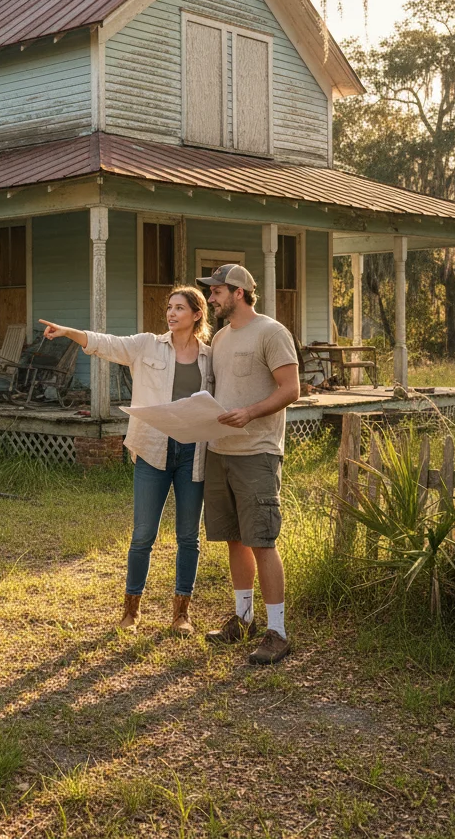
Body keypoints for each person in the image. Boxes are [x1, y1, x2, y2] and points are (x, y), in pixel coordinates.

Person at [39, 286, 213, 635]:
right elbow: (107, 344)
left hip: (193, 453)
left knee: (188, 537)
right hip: (152, 449)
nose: (171, 313)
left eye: (180, 308)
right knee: (142, 535)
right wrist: (70, 332)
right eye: (169, 307)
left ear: (197, 315)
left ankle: (182, 614)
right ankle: (131, 611)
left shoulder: (211, 357)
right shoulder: (147, 344)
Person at [197, 264, 300, 665]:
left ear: (239, 292)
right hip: (221, 452)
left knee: (261, 540)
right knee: (234, 538)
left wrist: (250, 413)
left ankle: (278, 632)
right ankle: (244, 619)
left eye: (217, 291)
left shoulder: (271, 333)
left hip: (257, 451)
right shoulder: (220, 338)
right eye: (211, 292)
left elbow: (291, 389)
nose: (211, 299)